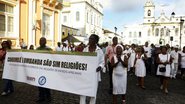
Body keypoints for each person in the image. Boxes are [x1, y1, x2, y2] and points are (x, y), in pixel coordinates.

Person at [80, 34, 104, 104]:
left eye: (92, 39)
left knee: (93, 93)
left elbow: (102, 62)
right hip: (85, 74)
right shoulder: (85, 49)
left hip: (94, 75)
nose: (90, 40)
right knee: (82, 91)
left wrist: (100, 67)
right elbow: (82, 59)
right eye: (89, 38)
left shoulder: (99, 51)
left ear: (96, 41)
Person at [36, 37, 52, 102]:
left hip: (46, 70)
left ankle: (48, 97)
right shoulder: (37, 49)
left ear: (45, 42)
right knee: (39, 84)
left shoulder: (49, 49)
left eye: (42, 41)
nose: (41, 42)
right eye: (40, 40)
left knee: (47, 85)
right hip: (39, 70)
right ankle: (41, 97)